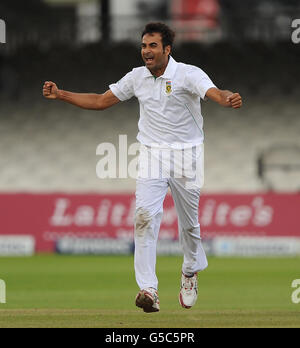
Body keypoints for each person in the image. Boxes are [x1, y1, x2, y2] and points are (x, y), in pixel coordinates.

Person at [43, 22, 242, 313]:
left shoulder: (188, 73)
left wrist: (226, 98)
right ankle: (148, 289)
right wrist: (61, 95)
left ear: (167, 49)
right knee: (144, 218)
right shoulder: (136, 77)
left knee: (189, 225)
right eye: (143, 46)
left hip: (187, 156)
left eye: (152, 46)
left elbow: (213, 91)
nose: (146, 51)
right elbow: (101, 101)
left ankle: (189, 272)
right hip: (151, 155)